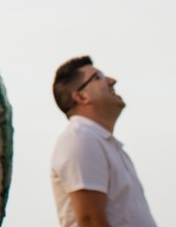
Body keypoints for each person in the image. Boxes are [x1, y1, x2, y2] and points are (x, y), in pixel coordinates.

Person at [49, 55, 157, 227]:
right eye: (98, 77)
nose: (112, 81)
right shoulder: (81, 139)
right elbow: (91, 222)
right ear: (81, 97)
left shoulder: (103, 143)